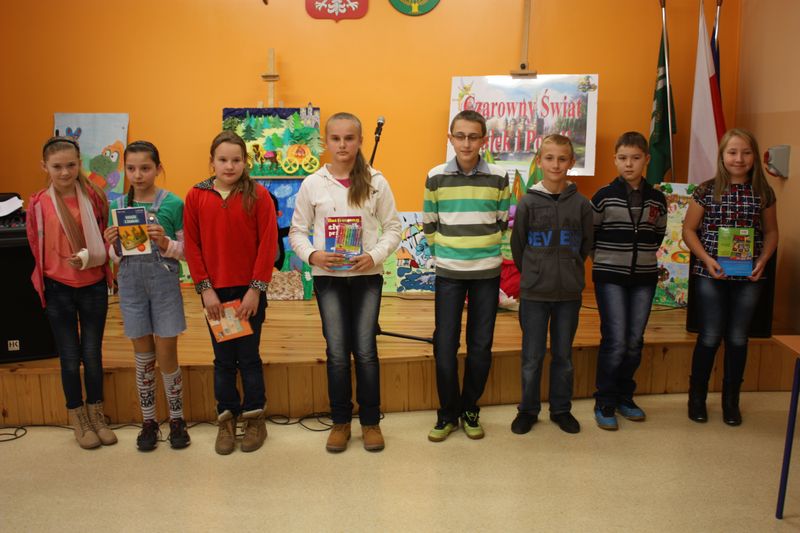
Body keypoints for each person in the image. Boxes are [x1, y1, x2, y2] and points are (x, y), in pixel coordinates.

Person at [289, 112, 401, 453]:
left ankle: (370, 422)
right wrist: (313, 256)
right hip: (330, 280)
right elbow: (297, 232)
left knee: (365, 351)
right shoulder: (313, 183)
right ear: (326, 142)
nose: (342, 145)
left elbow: (393, 228)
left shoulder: (376, 181)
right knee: (337, 352)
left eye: (349, 138)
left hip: (366, 278)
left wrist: (375, 256)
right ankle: (340, 421)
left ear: (360, 141)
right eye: (335, 138)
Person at [183, 131, 278, 454]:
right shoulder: (196, 196)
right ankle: (226, 419)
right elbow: (192, 246)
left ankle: (254, 418)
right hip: (216, 294)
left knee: (248, 358)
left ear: (245, 162)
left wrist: (255, 290)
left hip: (249, 291)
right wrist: (205, 290)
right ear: (212, 162)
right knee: (224, 360)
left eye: (236, 160)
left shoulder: (259, 195)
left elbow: (268, 245)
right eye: (222, 159)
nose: (229, 165)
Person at [423, 110, 510, 442]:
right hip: (449, 273)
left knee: (480, 345)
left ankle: (470, 408)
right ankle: (448, 413)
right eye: (460, 136)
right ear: (450, 138)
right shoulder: (435, 176)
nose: (466, 143)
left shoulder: (499, 177)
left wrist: (483, 252)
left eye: (474, 137)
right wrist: (447, 254)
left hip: (487, 273)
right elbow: (430, 223)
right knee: (445, 345)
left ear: (484, 140)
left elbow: (502, 222)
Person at [682, 128, 778, 426]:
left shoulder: (764, 192)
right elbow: (689, 230)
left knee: (737, 339)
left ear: (754, 156)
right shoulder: (706, 190)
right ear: (722, 156)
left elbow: (772, 232)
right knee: (710, 336)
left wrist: (763, 260)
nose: (739, 158)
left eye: (746, 152)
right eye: (732, 152)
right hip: (711, 273)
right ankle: (696, 398)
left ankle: (730, 401)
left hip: (749, 276)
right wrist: (707, 259)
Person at [26, 136, 116, 449]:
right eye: (57, 167)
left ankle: (97, 414)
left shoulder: (95, 198)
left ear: (80, 164)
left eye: (71, 165)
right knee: (68, 357)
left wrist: (93, 255)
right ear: (45, 167)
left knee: (92, 354)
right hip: (57, 287)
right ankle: (78, 417)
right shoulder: (38, 203)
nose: (65, 172)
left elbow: (104, 240)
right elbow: (35, 245)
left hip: (92, 286)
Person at [103, 141, 190, 450]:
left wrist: (165, 243)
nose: (137, 175)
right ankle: (149, 421)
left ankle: (177, 420)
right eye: (131, 168)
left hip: (164, 284)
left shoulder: (173, 203)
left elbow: (188, 252)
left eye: (145, 168)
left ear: (158, 169)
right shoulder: (116, 205)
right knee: (143, 357)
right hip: (131, 287)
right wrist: (112, 243)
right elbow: (114, 257)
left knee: (167, 355)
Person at [510, 134, 593, 435]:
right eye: (549, 158)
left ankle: (561, 409)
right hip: (534, 293)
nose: (555, 164)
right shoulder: (528, 202)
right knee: (532, 357)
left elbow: (585, 245)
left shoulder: (582, 205)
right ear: (539, 161)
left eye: (562, 159)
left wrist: (569, 270)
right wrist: (534, 273)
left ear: (571, 162)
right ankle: (528, 410)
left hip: (568, 294)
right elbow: (518, 246)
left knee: (563, 356)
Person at [590, 132, 667, 430]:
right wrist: (605, 260)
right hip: (610, 277)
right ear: (615, 160)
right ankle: (604, 400)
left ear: (646, 159)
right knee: (616, 340)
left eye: (635, 158)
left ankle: (625, 396)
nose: (629, 164)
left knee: (634, 341)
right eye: (623, 158)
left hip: (644, 279)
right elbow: (590, 235)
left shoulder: (657, 199)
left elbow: (657, 235)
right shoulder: (603, 196)